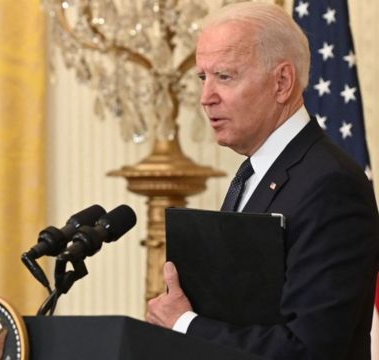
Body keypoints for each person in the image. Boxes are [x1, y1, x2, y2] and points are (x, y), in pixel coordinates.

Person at [146, 2, 379, 359]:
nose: (206, 98)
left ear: (282, 82)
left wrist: (184, 324)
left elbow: (308, 350)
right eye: (202, 78)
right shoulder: (257, 173)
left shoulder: (331, 185)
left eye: (224, 76)